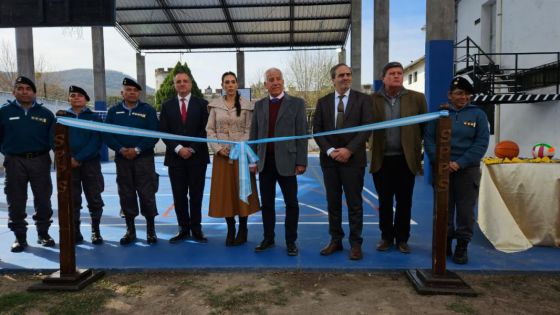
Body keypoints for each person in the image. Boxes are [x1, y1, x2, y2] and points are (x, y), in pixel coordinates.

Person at [424, 76, 489, 264]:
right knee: (443, 209)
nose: (463, 97)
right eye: (459, 93)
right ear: (450, 95)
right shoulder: (440, 114)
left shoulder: (478, 115)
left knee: (465, 211)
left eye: (467, 94)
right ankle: (443, 244)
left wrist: (459, 163)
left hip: (467, 171)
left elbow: (481, 143)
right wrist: (440, 161)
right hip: (442, 169)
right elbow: (429, 139)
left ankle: (462, 246)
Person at [313, 63, 373, 260]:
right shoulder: (322, 102)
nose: (346, 78)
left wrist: (349, 150)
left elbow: (366, 128)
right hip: (330, 162)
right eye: (341, 75)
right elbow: (318, 130)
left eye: (348, 74)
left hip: (353, 160)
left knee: (355, 204)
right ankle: (336, 240)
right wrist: (330, 151)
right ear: (333, 79)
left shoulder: (363, 100)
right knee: (333, 203)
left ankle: (356, 244)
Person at [249, 67, 308, 256]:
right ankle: (268, 238)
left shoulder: (297, 104)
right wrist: (252, 159)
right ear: (265, 84)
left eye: (278, 79)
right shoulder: (258, 106)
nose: (275, 82)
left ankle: (291, 241)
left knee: (291, 203)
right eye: (270, 79)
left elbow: (302, 135)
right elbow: (254, 136)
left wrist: (302, 161)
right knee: (266, 204)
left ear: (283, 81)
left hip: (289, 162)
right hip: (265, 163)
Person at [370, 61, 427, 254]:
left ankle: (402, 239)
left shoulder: (417, 99)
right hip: (382, 159)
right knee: (384, 202)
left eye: (399, 73)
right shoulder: (372, 100)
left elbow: (424, 128)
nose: (396, 76)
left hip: (405, 160)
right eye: (392, 73)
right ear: (383, 78)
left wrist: (419, 153)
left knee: (404, 201)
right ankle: (386, 237)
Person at [0, 76, 55, 252]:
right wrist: (9, 152)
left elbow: (54, 140)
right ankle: (19, 238)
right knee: (15, 200)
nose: (24, 91)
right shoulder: (3, 112)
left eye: (28, 89)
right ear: (14, 92)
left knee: (43, 199)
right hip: (15, 161)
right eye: (20, 88)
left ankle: (43, 234)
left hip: (40, 160)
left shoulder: (46, 114)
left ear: (34, 93)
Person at [206, 71, 260, 246]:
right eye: (226, 82)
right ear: (222, 85)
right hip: (222, 157)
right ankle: (230, 229)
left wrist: (238, 146)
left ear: (237, 84)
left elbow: (249, 130)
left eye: (233, 82)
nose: (230, 85)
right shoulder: (214, 106)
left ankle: (243, 229)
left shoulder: (247, 105)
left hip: (241, 156)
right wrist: (219, 149)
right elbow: (210, 130)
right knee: (225, 193)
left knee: (241, 191)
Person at [104, 78, 159, 245]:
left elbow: (154, 134)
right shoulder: (113, 112)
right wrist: (121, 149)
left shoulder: (148, 110)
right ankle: (130, 230)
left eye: (135, 90)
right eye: (128, 90)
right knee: (126, 194)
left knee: (147, 194)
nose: (132, 93)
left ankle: (151, 230)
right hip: (122, 159)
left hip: (144, 158)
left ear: (139, 93)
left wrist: (137, 149)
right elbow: (107, 134)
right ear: (122, 93)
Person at [160, 71, 210, 243]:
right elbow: (163, 131)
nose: (182, 84)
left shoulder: (203, 104)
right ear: (174, 84)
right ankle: (183, 228)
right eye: (178, 81)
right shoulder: (166, 106)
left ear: (190, 83)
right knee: (179, 195)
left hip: (198, 158)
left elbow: (205, 130)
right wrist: (179, 148)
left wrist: (192, 149)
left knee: (196, 195)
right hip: (175, 158)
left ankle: (196, 228)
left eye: (185, 81)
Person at [56, 85, 105, 245]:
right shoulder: (61, 117)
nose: (76, 98)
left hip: (90, 164)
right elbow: (54, 139)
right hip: (67, 164)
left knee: (94, 198)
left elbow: (96, 140)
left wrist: (79, 158)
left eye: (80, 95)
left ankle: (95, 231)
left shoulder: (94, 118)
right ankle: (75, 231)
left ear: (86, 99)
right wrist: (67, 158)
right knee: (71, 199)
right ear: (69, 99)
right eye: (73, 95)